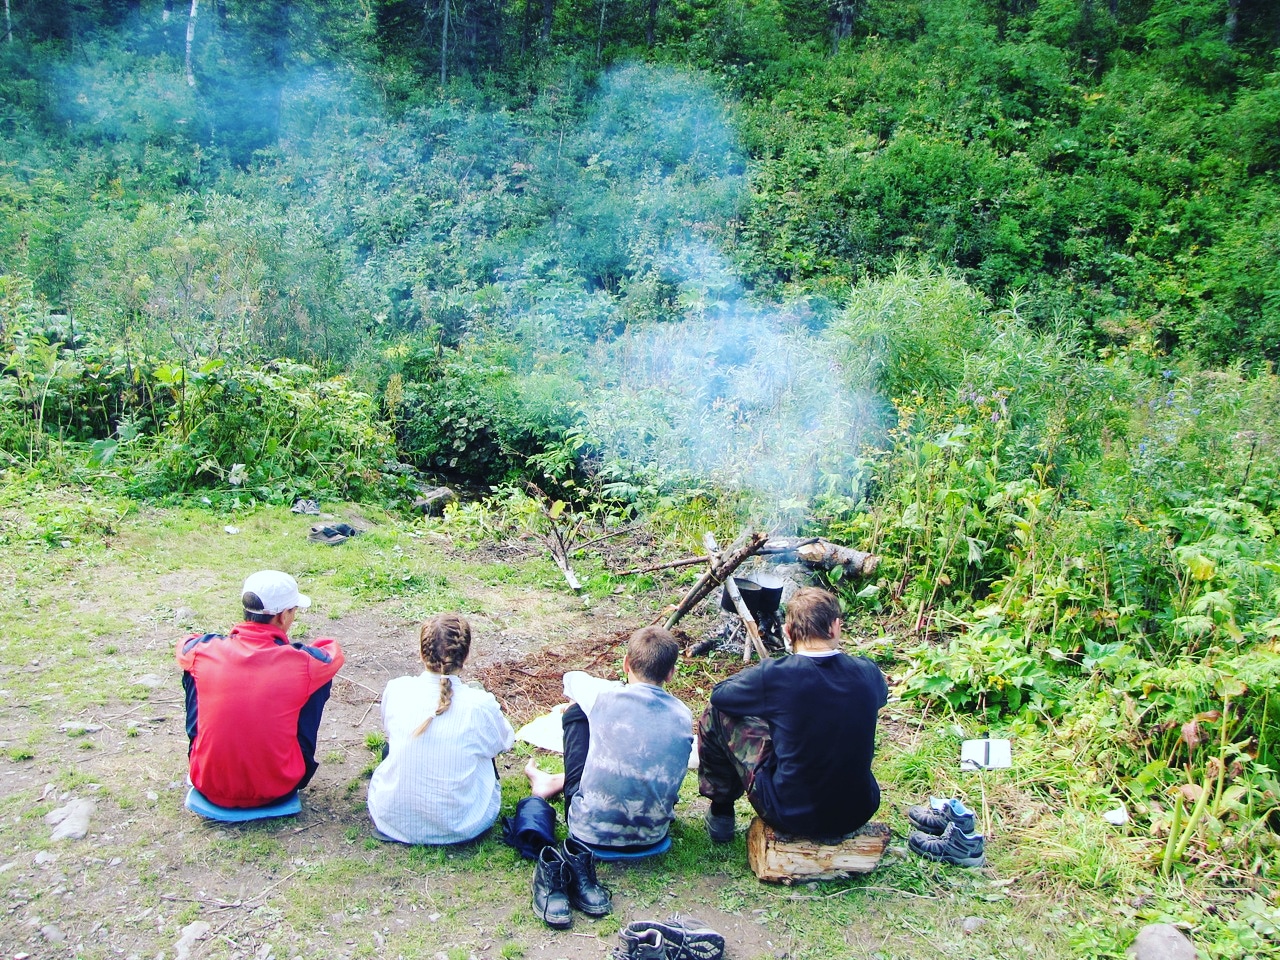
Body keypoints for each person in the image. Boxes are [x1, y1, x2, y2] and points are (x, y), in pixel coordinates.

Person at [697, 586, 888, 841]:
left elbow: (720, 695)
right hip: (858, 809)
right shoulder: (867, 672)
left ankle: (721, 812)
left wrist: (762, 681)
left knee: (718, 712)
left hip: (789, 812)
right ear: (835, 626)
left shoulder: (777, 675)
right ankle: (833, 824)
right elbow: (877, 699)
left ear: (788, 632)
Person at [177, 570, 344, 809]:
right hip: (278, 787)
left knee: (194, 672)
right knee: (317, 681)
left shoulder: (204, 650)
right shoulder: (301, 662)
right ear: (283, 615)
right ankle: (288, 763)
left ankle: (207, 757)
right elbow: (331, 654)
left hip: (208, 782)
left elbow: (185, 644)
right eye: (293, 611)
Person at [525, 626, 694, 850]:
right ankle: (557, 780)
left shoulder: (604, 696)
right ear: (671, 673)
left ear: (626, 664)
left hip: (588, 832)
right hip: (652, 834)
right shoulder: (683, 714)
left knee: (577, 710)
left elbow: (571, 679)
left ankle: (561, 784)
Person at [367, 613, 515, 844]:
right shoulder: (480, 704)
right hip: (463, 824)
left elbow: (389, 730)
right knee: (484, 746)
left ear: (420, 653)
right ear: (465, 656)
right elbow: (504, 742)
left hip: (393, 820)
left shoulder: (396, 690)